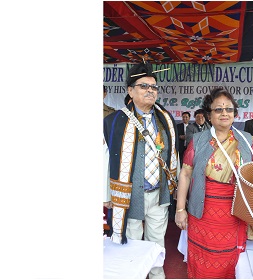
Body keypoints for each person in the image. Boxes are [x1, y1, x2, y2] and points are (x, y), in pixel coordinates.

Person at [174, 88, 253, 279]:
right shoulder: (198, 141)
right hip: (202, 210)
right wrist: (180, 209)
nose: (224, 113)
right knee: (202, 259)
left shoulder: (247, 141)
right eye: (218, 109)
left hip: (234, 213)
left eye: (229, 109)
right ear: (209, 115)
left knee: (228, 259)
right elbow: (186, 174)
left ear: (235, 114)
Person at [103, 61, 178, 279]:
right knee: (132, 242)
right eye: (144, 86)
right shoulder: (113, 122)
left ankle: (156, 276)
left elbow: (174, 155)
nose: (150, 91)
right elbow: (104, 160)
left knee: (157, 241)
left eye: (153, 87)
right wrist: (106, 195)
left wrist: (172, 188)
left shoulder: (165, 119)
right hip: (128, 195)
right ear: (130, 90)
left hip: (157, 194)